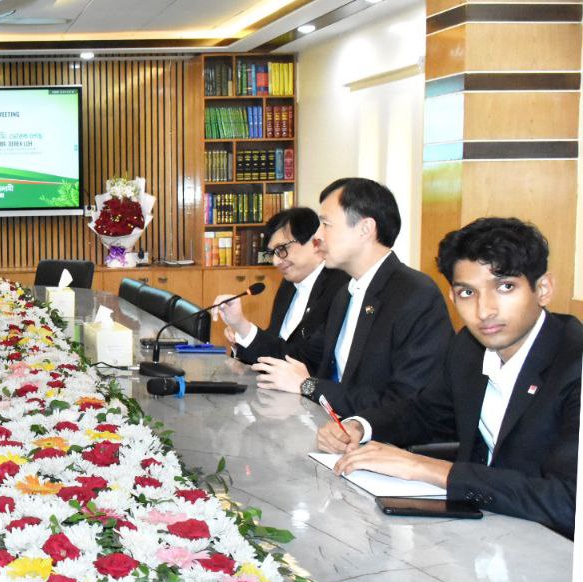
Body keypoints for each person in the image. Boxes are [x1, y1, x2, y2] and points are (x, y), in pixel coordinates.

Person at [317, 218, 580, 536]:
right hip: (486, 532)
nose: (485, 311)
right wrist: (361, 426)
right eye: (468, 292)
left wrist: (428, 469)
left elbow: (569, 502)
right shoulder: (468, 348)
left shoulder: (574, 363)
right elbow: (426, 412)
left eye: (505, 287)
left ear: (543, 289)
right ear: (453, 299)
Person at [249, 177, 452, 415]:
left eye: (326, 224)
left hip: (380, 433)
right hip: (331, 425)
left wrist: (308, 386)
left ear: (365, 229)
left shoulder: (416, 295)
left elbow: (407, 402)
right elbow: (306, 360)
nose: (318, 237)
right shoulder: (345, 294)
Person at [210, 206, 350, 374]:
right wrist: (240, 335)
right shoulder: (288, 285)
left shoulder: (339, 288)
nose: (276, 262)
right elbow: (275, 341)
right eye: (272, 253)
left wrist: (245, 329)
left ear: (314, 242)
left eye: (282, 249)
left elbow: (306, 361)